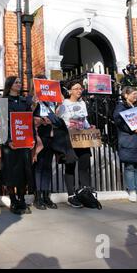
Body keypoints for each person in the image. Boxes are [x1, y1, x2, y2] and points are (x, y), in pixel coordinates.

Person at [0, 76, 34, 214]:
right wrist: (8, 140)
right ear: (10, 85)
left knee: (23, 172)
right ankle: (13, 200)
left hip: (23, 141)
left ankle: (22, 200)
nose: (19, 84)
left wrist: (31, 138)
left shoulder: (24, 101)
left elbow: (29, 120)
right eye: (16, 82)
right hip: (10, 143)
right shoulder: (2, 101)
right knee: (10, 172)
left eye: (20, 82)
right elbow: (2, 123)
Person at [113, 86, 137, 202]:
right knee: (130, 167)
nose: (136, 96)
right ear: (126, 95)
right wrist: (135, 129)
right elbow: (119, 122)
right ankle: (132, 191)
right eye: (133, 93)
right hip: (128, 140)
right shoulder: (120, 107)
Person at [57, 80, 93, 208]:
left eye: (80, 88)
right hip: (70, 137)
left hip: (83, 137)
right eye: (76, 88)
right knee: (70, 165)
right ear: (70, 91)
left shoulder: (83, 103)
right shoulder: (64, 103)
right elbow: (58, 118)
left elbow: (84, 119)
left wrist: (89, 126)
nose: (79, 90)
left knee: (84, 164)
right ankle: (71, 195)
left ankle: (84, 191)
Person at [32, 75, 57, 210]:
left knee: (48, 166)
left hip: (51, 136)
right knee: (39, 167)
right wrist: (40, 120)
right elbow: (29, 117)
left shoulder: (53, 101)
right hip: (39, 136)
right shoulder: (34, 101)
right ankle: (38, 196)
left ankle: (46, 195)